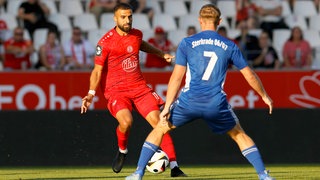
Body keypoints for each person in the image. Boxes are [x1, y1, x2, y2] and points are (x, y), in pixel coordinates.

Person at [126, 4, 275, 180]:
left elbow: (176, 78)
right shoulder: (229, 45)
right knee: (239, 134)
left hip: (189, 101)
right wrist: (265, 96)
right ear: (219, 21)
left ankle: (138, 174)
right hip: (215, 103)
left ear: (199, 21)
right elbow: (249, 74)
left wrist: (166, 107)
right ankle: (263, 175)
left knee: (159, 129)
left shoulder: (187, 43)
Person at [80, 3, 186, 177]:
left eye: (129, 16)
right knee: (127, 122)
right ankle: (122, 150)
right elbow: (97, 70)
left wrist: (161, 54)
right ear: (115, 18)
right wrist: (90, 94)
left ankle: (174, 166)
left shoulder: (136, 34)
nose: (127, 20)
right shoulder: (105, 42)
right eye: (123, 17)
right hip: (116, 91)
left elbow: (141, 44)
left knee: (160, 123)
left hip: (139, 87)